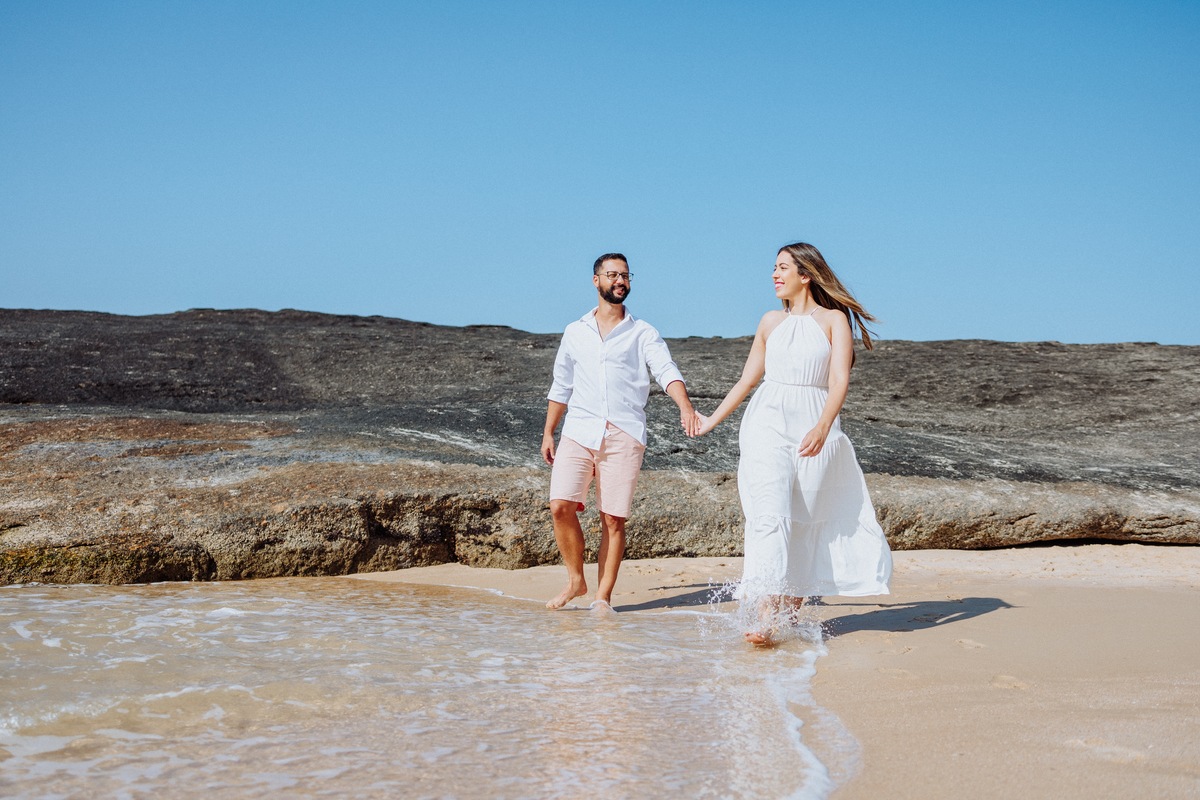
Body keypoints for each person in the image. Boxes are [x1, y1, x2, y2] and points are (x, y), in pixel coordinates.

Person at [697, 242, 892, 644]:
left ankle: (787, 614)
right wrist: (711, 420)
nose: (774, 274)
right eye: (774, 267)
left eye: (783, 267)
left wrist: (823, 426)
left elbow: (839, 380)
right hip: (767, 420)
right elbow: (748, 379)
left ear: (806, 275)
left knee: (804, 520)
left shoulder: (834, 320)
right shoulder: (770, 321)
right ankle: (766, 614)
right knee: (770, 515)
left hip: (814, 423)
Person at [542, 253, 701, 611]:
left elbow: (665, 369)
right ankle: (576, 582)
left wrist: (686, 407)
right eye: (612, 274)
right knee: (559, 506)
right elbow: (560, 385)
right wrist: (549, 431)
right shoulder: (575, 331)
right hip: (579, 431)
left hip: (624, 433)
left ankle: (602, 598)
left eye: (625, 275)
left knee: (612, 518)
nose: (620, 281)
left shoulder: (643, 332)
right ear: (595, 280)